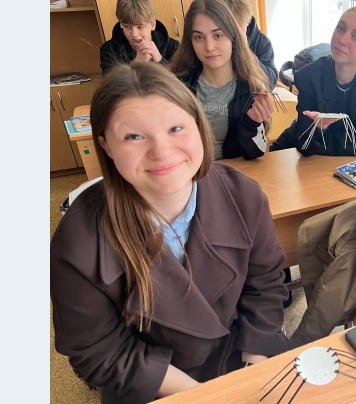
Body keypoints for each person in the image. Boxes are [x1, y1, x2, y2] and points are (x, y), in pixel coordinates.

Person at [50, 62, 290, 404]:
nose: (161, 152)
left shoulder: (244, 195)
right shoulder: (78, 241)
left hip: (241, 359)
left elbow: (264, 282)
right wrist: (206, 397)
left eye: (176, 128)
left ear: (199, 127)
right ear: (106, 146)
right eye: (134, 136)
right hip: (154, 386)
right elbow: (98, 349)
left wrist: (254, 367)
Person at [269, 4, 356, 157]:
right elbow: (304, 144)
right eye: (341, 29)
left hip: (329, 157)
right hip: (290, 152)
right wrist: (319, 130)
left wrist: (323, 140)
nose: (342, 40)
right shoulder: (309, 76)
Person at [169, 0, 273, 161]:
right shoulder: (177, 87)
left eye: (217, 35)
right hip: (190, 173)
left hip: (232, 174)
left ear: (234, 37)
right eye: (199, 37)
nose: (209, 47)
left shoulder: (252, 89)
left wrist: (252, 123)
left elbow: (254, 153)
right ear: (191, 41)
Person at [99, 0, 180, 75]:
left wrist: (160, 61)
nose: (134, 34)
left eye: (140, 27)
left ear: (153, 25)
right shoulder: (108, 50)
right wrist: (136, 64)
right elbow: (110, 85)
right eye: (127, 26)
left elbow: (182, 83)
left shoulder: (173, 46)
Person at [220, 0, 278, 89]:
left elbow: (270, 83)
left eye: (240, 28)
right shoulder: (214, 42)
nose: (234, 34)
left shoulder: (262, 42)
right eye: (229, 29)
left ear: (247, 22)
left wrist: (245, 51)